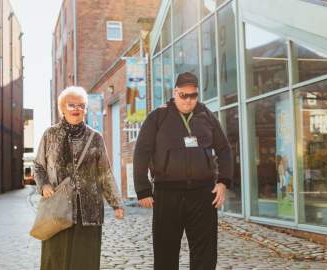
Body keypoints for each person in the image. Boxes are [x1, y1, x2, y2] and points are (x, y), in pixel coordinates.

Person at [133, 72, 234, 270]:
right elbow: (141, 152)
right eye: (183, 95)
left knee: (205, 253)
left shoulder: (206, 115)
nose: (188, 100)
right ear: (175, 92)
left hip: (203, 194)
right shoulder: (158, 116)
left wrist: (223, 182)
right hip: (167, 193)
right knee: (165, 251)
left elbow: (224, 149)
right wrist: (143, 189)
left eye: (193, 95)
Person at [34, 86, 124, 270]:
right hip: (57, 209)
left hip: (88, 211)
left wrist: (116, 203)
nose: (77, 109)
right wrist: (43, 185)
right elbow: (38, 166)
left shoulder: (95, 138)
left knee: (85, 262)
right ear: (62, 108)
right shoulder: (50, 135)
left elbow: (104, 172)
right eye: (71, 105)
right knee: (56, 260)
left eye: (81, 105)